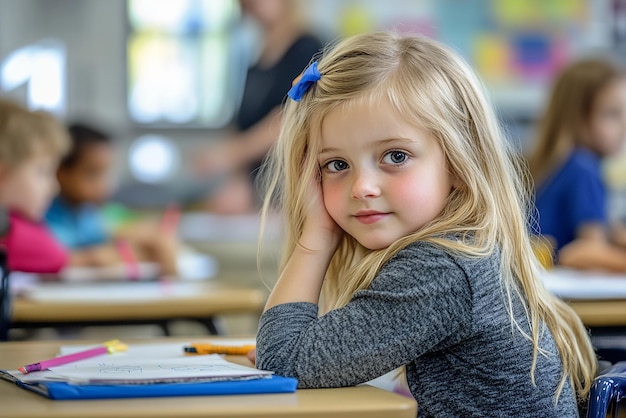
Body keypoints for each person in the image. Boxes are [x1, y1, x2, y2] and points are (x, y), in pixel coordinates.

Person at [254, 32, 596, 417]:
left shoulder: (441, 268)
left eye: (395, 156)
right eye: (336, 165)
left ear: (459, 161)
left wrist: (314, 238)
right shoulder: (467, 249)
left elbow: (283, 361)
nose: (362, 187)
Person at [197, 0, 322, 214]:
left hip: (289, 189)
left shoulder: (308, 50)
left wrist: (228, 156)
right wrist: (238, 180)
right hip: (256, 189)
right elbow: (242, 127)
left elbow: (292, 118)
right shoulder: (254, 62)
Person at [527, 58, 626, 271]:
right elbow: (582, 252)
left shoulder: (563, 164)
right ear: (578, 118)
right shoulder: (583, 168)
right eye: (612, 114)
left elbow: (611, 232)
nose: (624, 125)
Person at [45, 123, 178, 277]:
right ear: (61, 172)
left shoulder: (90, 213)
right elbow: (70, 257)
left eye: (106, 173)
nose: (104, 185)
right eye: (93, 174)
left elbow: (114, 237)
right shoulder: (44, 217)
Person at [0, 99, 69, 273]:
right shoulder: (7, 231)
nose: (54, 187)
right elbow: (54, 255)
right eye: (43, 172)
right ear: (2, 174)